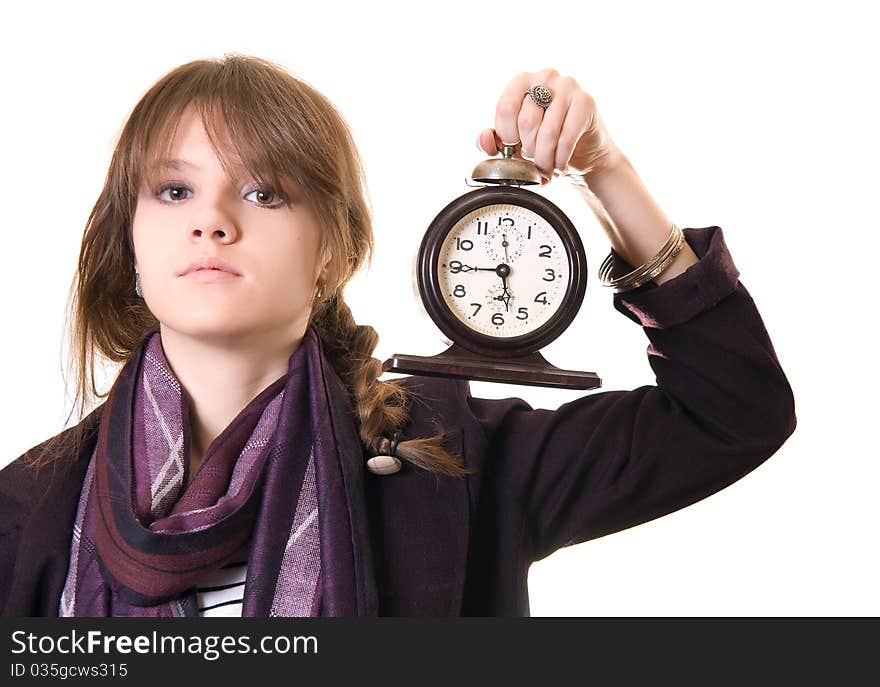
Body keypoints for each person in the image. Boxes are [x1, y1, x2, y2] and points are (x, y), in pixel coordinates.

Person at [0, 55, 796, 617]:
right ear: (131, 247)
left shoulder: (456, 458)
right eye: (173, 189)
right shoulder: (30, 505)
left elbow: (732, 413)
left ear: (333, 254)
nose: (211, 219)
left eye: (264, 191)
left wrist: (603, 169)